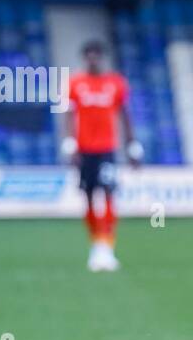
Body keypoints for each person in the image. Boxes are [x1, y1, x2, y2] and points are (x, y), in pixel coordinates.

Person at [60, 40, 141, 271]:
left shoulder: (115, 84)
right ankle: (95, 245)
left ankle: (107, 247)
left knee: (107, 195)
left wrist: (132, 146)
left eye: (97, 55)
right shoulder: (75, 83)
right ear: (84, 58)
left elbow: (126, 116)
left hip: (107, 149)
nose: (93, 59)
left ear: (102, 58)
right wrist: (70, 144)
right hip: (84, 150)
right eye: (89, 55)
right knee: (87, 197)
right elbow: (69, 115)